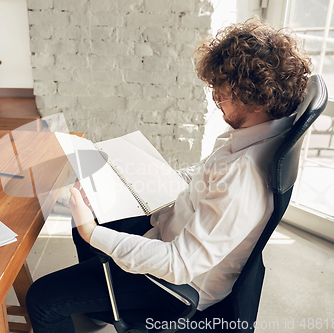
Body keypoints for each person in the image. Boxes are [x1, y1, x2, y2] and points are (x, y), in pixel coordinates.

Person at [26, 17, 312, 332]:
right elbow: (205, 174)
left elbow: (178, 264)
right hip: (171, 229)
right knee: (93, 203)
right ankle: (97, 306)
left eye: (223, 92)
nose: (215, 97)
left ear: (256, 99)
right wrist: (143, 176)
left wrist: (90, 232)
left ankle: (97, 298)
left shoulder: (243, 178)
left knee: (41, 299)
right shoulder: (257, 135)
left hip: (172, 287)